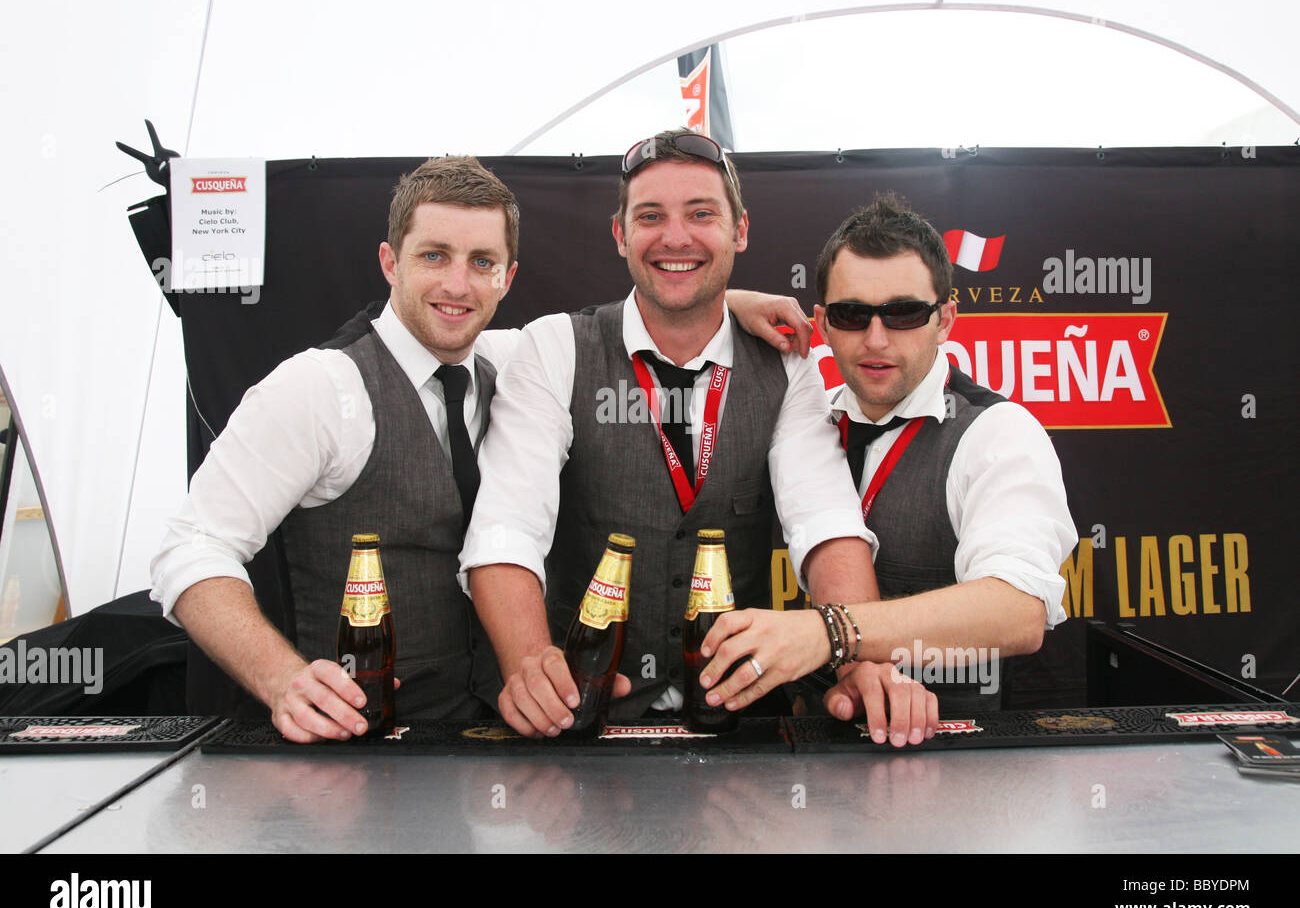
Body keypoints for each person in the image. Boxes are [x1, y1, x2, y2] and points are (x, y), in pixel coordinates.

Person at [151, 154, 834, 744]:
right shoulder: (317, 388)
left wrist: (724, 297)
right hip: (357, 747)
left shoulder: (511, 358)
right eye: (434, 256)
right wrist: (282, 680)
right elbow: (191, 546)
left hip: (491, 741)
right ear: (389, 260)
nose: (458, 285)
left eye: (482, 262)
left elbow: (654, 320)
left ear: (508, 276)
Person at [462, 130, 938, 746]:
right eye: (651, 216)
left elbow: (823, 524)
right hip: (579, 722)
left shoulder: (786, 367)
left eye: (701, 214)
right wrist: (529, 663)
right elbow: (507, 527)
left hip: (737, 726)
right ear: (621, 235)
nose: (676, 237)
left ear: (739, 231)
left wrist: (860, 659)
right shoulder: (555, 348)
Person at [699, 193, 1077, 723]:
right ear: (823, 323)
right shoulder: (803, 421)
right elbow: (648, 328)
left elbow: (1016, 611)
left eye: (903, 313)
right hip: (803, 756)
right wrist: (720, 307)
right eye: (853, 315)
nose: (876, 339)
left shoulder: (998, 433)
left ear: (945, 320)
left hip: (953, 758)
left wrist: (831, 633)